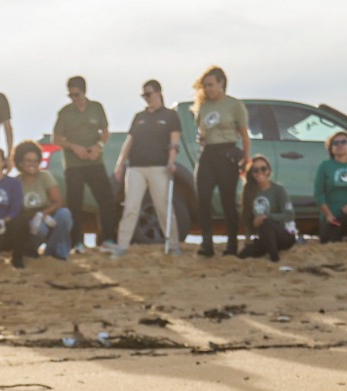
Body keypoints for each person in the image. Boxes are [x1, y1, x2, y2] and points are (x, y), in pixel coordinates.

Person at [112, 79, 183, 255]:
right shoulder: (139, 117)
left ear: (158, 93)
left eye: (148, 94)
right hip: (136, 167)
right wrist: (120, 163)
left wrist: (171, 161)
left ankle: (173, 245)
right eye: (143, 95)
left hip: (159, 167)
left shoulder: (170, 116)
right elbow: (129, 141)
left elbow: (174, 142)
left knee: (163, 207)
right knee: (131, 206)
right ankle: (122, 246)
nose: (146, 98)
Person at [51, 76, 120, 254]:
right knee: (75, 204)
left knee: (106, 200)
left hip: (95, 162)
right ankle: (77, 244)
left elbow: (105, 132)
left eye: (76, 94)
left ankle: (108, 239)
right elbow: (56, 138)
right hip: (73, 165)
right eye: (71, 95)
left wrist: (99, 147)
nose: (74, 98)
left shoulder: (96, 108)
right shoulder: (65, 112)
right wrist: (74, 147)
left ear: (84, 91)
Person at [191, 66, 249, 257]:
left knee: (227, 201)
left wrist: (246, 159)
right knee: (203, 198)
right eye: (205, 86)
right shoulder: (204, 106)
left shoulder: (234, 105)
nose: (207, 89)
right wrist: (202, 138)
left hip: (227, 154)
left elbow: (244, 135)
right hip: (208, 154)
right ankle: (206, 244)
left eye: (211, 85)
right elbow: (202, 130)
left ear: (221, 83)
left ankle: (231, 245)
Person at [13, 140, 72, 260]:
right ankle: (30, 249)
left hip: (48, 215)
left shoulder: (45, 176)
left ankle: (57, 252)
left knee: (64, 215)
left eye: (35, 161)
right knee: (40, 228)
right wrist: (34, 217)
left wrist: (43, 214)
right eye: (28, 161)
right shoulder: (15, 182)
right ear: (20, 162)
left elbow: (58, 202)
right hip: (29, 222)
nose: (32, 164)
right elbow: (15, 211)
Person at [238, 157, 296, 263]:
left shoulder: (278, 189)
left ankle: (275, 258)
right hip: (265, 237)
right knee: (243, 254)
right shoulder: (250, 191)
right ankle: (269, 249)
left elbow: (289, 214)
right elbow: (248, 218)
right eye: (256, 170)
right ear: (251, 173)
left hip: (284, 235)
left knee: (266, 222)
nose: (260, 172)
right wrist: (248, 237)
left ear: (269, 171)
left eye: (263, 169)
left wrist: (267, 216)